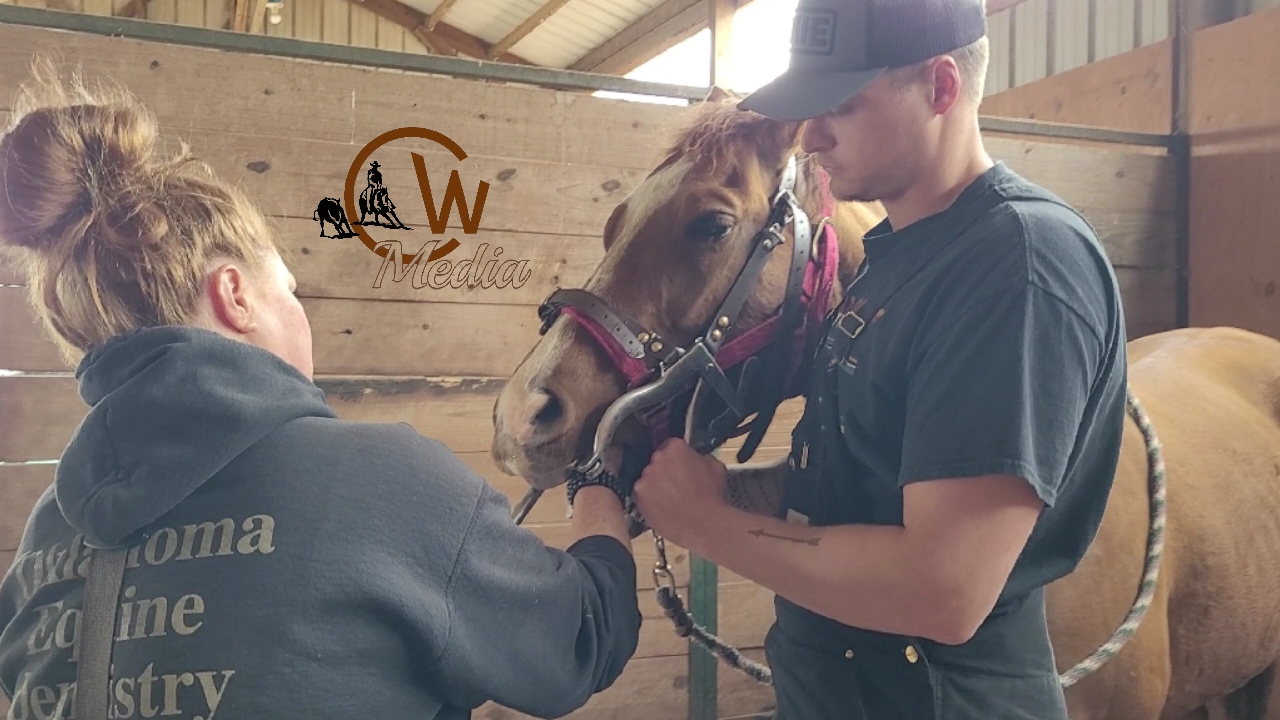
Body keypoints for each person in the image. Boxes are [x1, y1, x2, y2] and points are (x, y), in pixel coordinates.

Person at [0, 66, 641, 720]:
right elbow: (582, 640)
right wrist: (600, 483)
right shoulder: (385, 482)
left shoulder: (47, 532)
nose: (299, 311)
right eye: (290, 289)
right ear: (235, 295)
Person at [629, 0, 1128, 718]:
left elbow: (943, 589)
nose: (813, 137)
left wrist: (711, 526)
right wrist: (723, 492)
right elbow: (858, 481)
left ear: (942, 87)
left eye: (842, 106)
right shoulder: (896, 257)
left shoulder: (1015, 263)